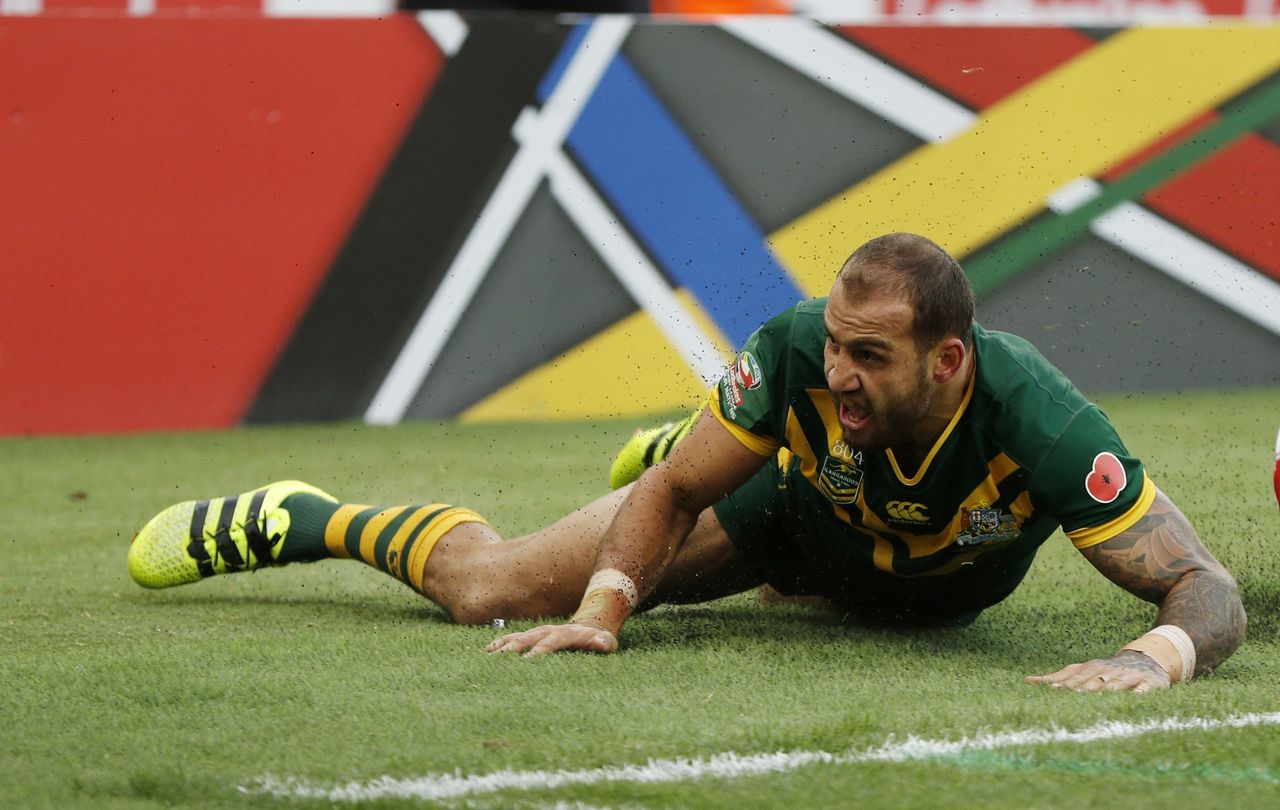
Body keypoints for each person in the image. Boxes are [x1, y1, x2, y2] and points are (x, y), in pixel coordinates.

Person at [128, 232, 1245, 692]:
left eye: (870, 356)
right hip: (789, 517)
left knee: (752, 516)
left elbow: (1206, 589)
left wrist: (1149, 662)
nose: (839, 371)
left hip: (893, 585)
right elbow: (673, 498)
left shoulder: (1040, 423)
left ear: (948, 361)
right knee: (492, 589)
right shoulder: (796, 353)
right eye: (834, 346)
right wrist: (604, 611)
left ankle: (708, 439)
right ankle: (308, 515)